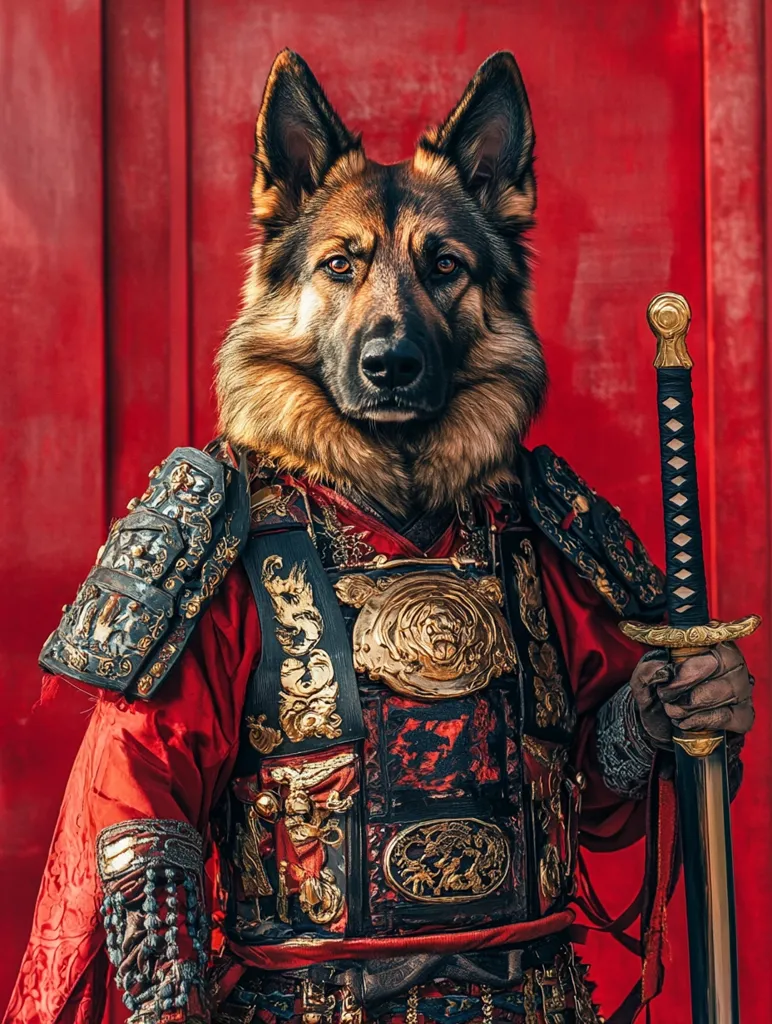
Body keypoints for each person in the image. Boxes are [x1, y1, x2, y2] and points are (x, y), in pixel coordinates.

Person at [4, 49, 754, 1024]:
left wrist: (658, 715)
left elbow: (601, 798)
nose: (390, 328)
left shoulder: (535, 531)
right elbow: (136, 817)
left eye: (440, 268)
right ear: (284, 285)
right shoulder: (227, 539)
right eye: (344, 266)